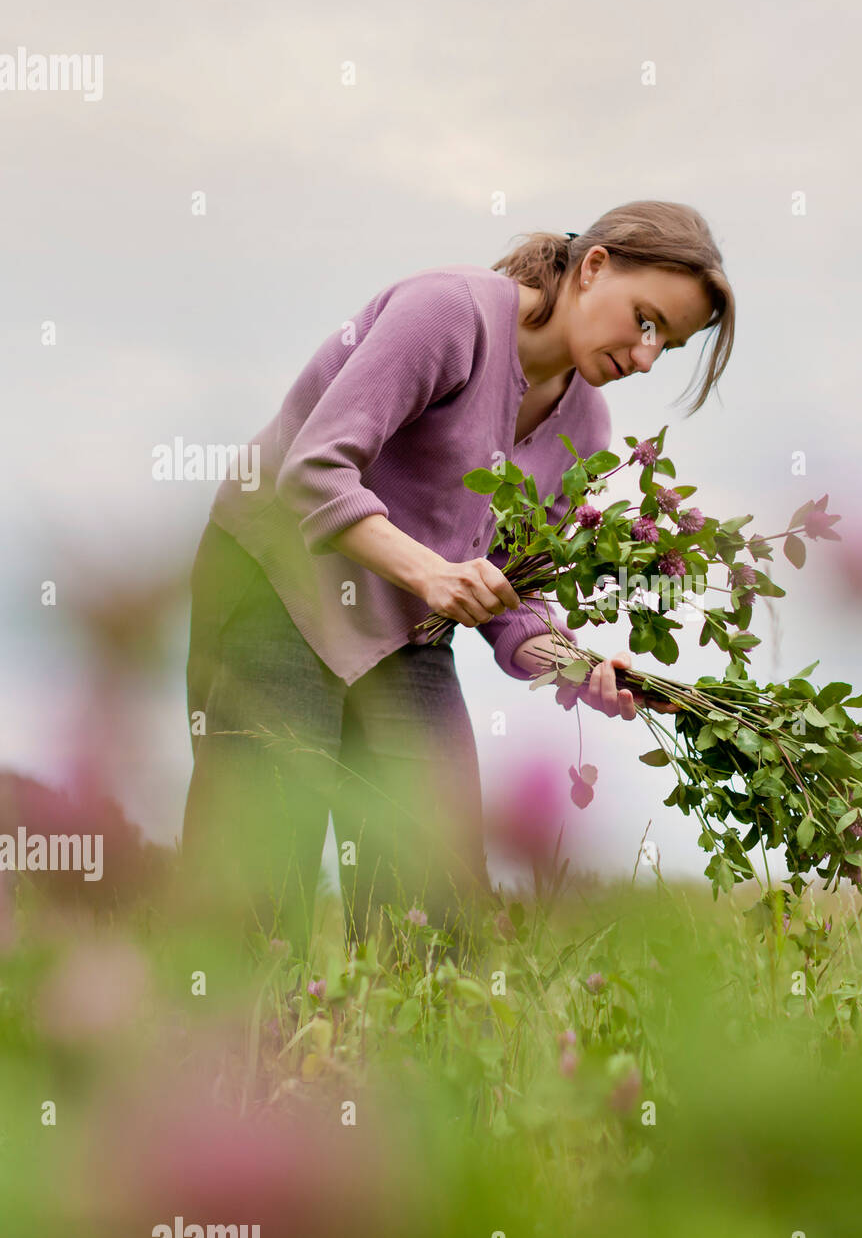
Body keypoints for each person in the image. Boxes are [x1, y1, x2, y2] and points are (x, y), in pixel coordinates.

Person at [181, 199, 736, 958]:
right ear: (595, 267)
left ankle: (399, 1071)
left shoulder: (587, 430)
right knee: (256, 887)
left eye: (664, 346)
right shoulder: (451, 313)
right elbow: (312, 471)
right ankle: (227, 1068)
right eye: (645, 321)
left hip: (408, 627)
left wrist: (578, 666)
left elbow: (511, 588)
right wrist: (433, 573)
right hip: (276, 581)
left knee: (434, 904)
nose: (644, 357)